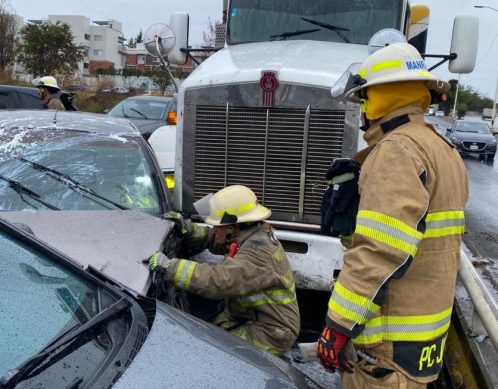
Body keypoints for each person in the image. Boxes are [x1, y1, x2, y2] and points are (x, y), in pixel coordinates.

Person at [316, 42, 468, 388]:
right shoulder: (442, 148)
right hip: (423, 341)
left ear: (385, 96)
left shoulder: (396, 151)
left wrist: (338, 326)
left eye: (365, 98)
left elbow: (380, 250)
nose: (364, 109)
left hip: (386, 356)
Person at [147, 184, 300, 356]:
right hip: (247, 316)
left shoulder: (258, 252)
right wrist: (187, 229)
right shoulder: (248, 234)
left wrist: (170, 267)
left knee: (210, 351)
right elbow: (214, 239)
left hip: (270, 333)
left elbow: (218, 281)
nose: (213, 229)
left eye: (216, 225)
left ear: (232, 227)